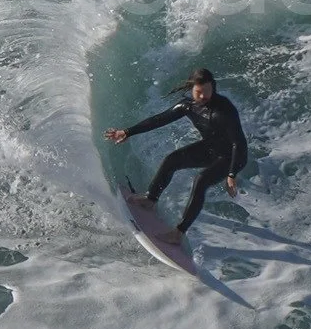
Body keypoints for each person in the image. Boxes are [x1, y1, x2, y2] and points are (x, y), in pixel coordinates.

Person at [105, 68, 249, 232]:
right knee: (172, 159)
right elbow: (159, 119)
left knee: (201, 180)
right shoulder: (187, 106)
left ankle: (179, 232)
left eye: (207, 92)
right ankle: (150, 199)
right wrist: (128, 132)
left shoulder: (224, 110)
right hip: (211, 149)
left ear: (213, 87)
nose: (203, 97)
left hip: (234, 156)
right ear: (191, 88)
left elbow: (238, 142)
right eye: (198, 92)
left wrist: (231, 174)